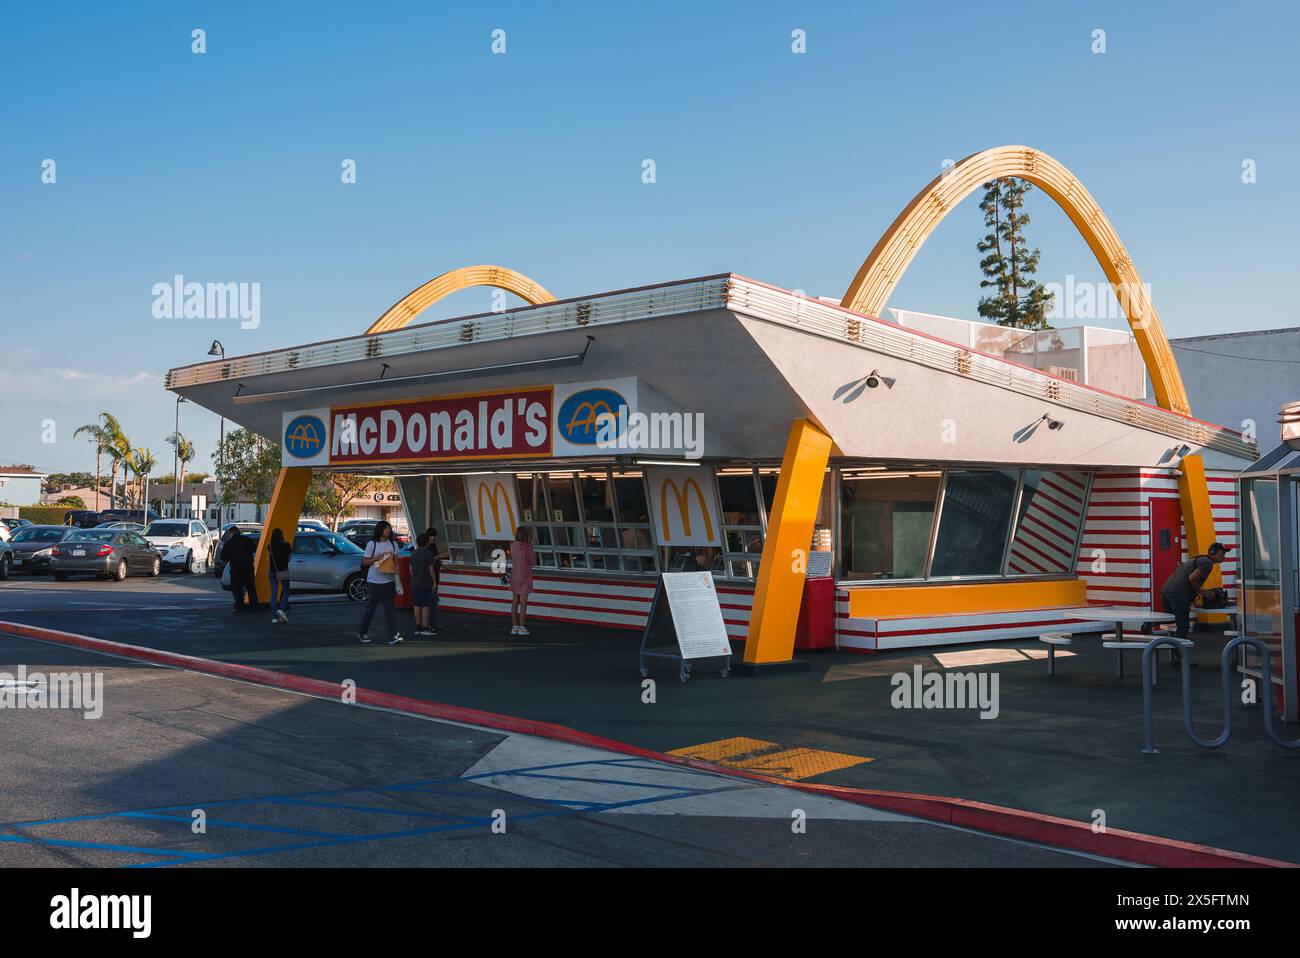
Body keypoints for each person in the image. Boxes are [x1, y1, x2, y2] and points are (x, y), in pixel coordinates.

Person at [1159, 541, 1231, 663]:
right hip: (1177, 594)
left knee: (1170, 619)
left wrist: (1191, 599)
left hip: (1166, 590)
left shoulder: (1197, 559)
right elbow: (1192, 578)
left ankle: (1148, 625)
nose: (1224, 556)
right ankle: (1180, 657)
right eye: (1222, 553)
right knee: (1183, 626)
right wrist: (1201, 590)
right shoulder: (1207, 563)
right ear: (1214, 553)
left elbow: (1185, 577)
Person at [357, 520, 403, 645]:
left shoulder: (393, 544)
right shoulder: (372, 544)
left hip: (389, 581)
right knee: (370, 609)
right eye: (386, 528)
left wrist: (398, 579)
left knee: (390, 610)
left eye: (389, 528)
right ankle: (362, 632)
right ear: (380, 529)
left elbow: (396, 563)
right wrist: (378, 557)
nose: (388, 530)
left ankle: (392, 636)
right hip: (374, 582)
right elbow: (365, 562)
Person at [409, 532, 439, 637]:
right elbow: (431, 568)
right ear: (427, 542)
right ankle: (425, 627)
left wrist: (413, 577)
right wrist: (434, 582)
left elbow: (411, 569)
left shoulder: (414, 553)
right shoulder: (428, 553)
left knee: (417, 605)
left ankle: (418, 627)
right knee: (426, 605)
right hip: (425, 582)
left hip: (415, 582)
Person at [508, 525, 536, 636]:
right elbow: (533, 561)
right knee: (523, 603)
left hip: (515, 575)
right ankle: (522, 627)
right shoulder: (528, 547)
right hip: (525, 576)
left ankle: (514, 626)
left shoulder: (512, 546)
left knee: (515, 601)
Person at [225, 527, 258, 613]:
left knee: (236, 588)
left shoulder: (229, 543)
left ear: (231, 533)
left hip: (236, 569)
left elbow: (223, 557)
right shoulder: (247, 540)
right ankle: (254, 605)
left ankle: (240, 606)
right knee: (250, 587)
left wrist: (231, 557)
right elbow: (254, 550)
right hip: (248, 568)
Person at [268, 527, 292, 624]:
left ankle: (274, 617)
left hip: (272, 571)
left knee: (274, 593)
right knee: (286, 590)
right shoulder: (287, 545)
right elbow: (289, 559)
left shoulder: (269, 546)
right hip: (283, 571)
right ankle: (281, 610)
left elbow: (269, 558)